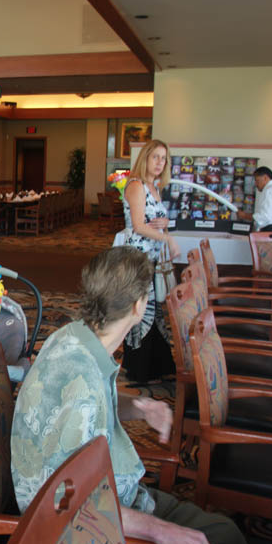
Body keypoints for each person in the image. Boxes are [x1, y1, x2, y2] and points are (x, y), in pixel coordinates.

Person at [11, 246, 252, 544]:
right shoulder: (83, 381)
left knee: (224, 533)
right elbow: (71, 503)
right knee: (221, 542)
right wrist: (158, 529)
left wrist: (140, 406)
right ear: (139, 306)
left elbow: (92, 402)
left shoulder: (73, 338)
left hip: (103, 498)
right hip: (79, 531)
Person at [122, 139, 179, 384]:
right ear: (145, 158)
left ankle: (156, 365)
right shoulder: (136, 185)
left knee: (152, 310)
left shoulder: (154, 187)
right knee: (140, 311)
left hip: (151, 257)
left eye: (163, 158)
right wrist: (167, 239)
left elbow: (153, 219)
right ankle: (139, 368)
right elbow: (137, 226)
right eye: (155, 157)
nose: (159, 162)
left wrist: (164, 225)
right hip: (137, 259)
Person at [236, 166, 272, 232]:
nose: (255, 184)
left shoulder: (269, 190)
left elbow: (264, 216)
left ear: (265, 178)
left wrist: (244, 215)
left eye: (256, 180)